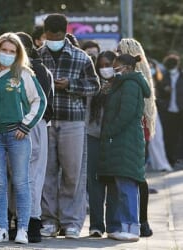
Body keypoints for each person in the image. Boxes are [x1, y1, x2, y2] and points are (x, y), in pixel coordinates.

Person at [0, 32, 46, 244]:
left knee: (21, 181)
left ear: (18, 54)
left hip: (17, 134)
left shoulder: (24, 74)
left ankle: (22, 228)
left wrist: (26, 125)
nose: (7, 54)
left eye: (12, 51)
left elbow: (39, 101)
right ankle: (2, 228)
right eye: (3, 50)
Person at [39, 13, 100, 239]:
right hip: (44, 121)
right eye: (50, 34)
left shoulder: (82, 57)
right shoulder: (36, 56)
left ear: (65, 32)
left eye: (57, 35)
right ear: (45, 33)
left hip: (73, 120)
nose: (53, 38)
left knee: (73, 173)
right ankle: (48, 220)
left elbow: (94, 86)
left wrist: (70, 85)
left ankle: (71, 222)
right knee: (46, 172)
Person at [99, 54, 150, 242]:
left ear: (127, 68)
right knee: (117, 184)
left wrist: (109, 131)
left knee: (127, 184)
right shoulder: (120, 84)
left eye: (116, 66)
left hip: (125, 140)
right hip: (119, 141)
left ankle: (130, 226)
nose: (113, 69)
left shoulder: (130, 84)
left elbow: (126, 114)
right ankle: (118, 225)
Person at [15, 31, 53, 243]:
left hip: (31, 125)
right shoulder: (38, 69)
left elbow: (42, 103)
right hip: (30, 125)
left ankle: (30, 222)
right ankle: (25, 222)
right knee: (26, 177)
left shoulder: (35, 70)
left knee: (28, 177)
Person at [117, 38, 157, 237]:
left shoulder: (132, 76)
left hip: (136, 129)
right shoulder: (143, 74)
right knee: (140, 177)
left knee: (136, 177)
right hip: (144, 127)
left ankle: (141, 221)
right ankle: (143, 221)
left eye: (119, 51)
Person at [87, 50, 117, 238]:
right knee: (95, 183)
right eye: (102, 65)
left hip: (114, 139)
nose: (105, 69)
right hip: (93, 137)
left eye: (109, 65)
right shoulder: (94, 85)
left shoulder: (121, 85)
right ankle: (96, 225)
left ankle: (113, 224)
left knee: (113, 182)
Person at [157, 54, 183, 167]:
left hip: (180, 110)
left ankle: (179, 159)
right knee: (169, 136)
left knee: (180, 136)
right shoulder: (163, 76)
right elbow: (158, 93)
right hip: (167, 111)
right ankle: (170, 159)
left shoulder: (181, 76)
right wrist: (165, 90)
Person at [147, 58, 172, 172]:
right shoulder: (143, 80)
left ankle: (160, 163)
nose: (150, 68)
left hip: (156, 111)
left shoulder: (159, 81)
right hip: (147, 111)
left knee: (157, 138)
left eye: (152, 66)